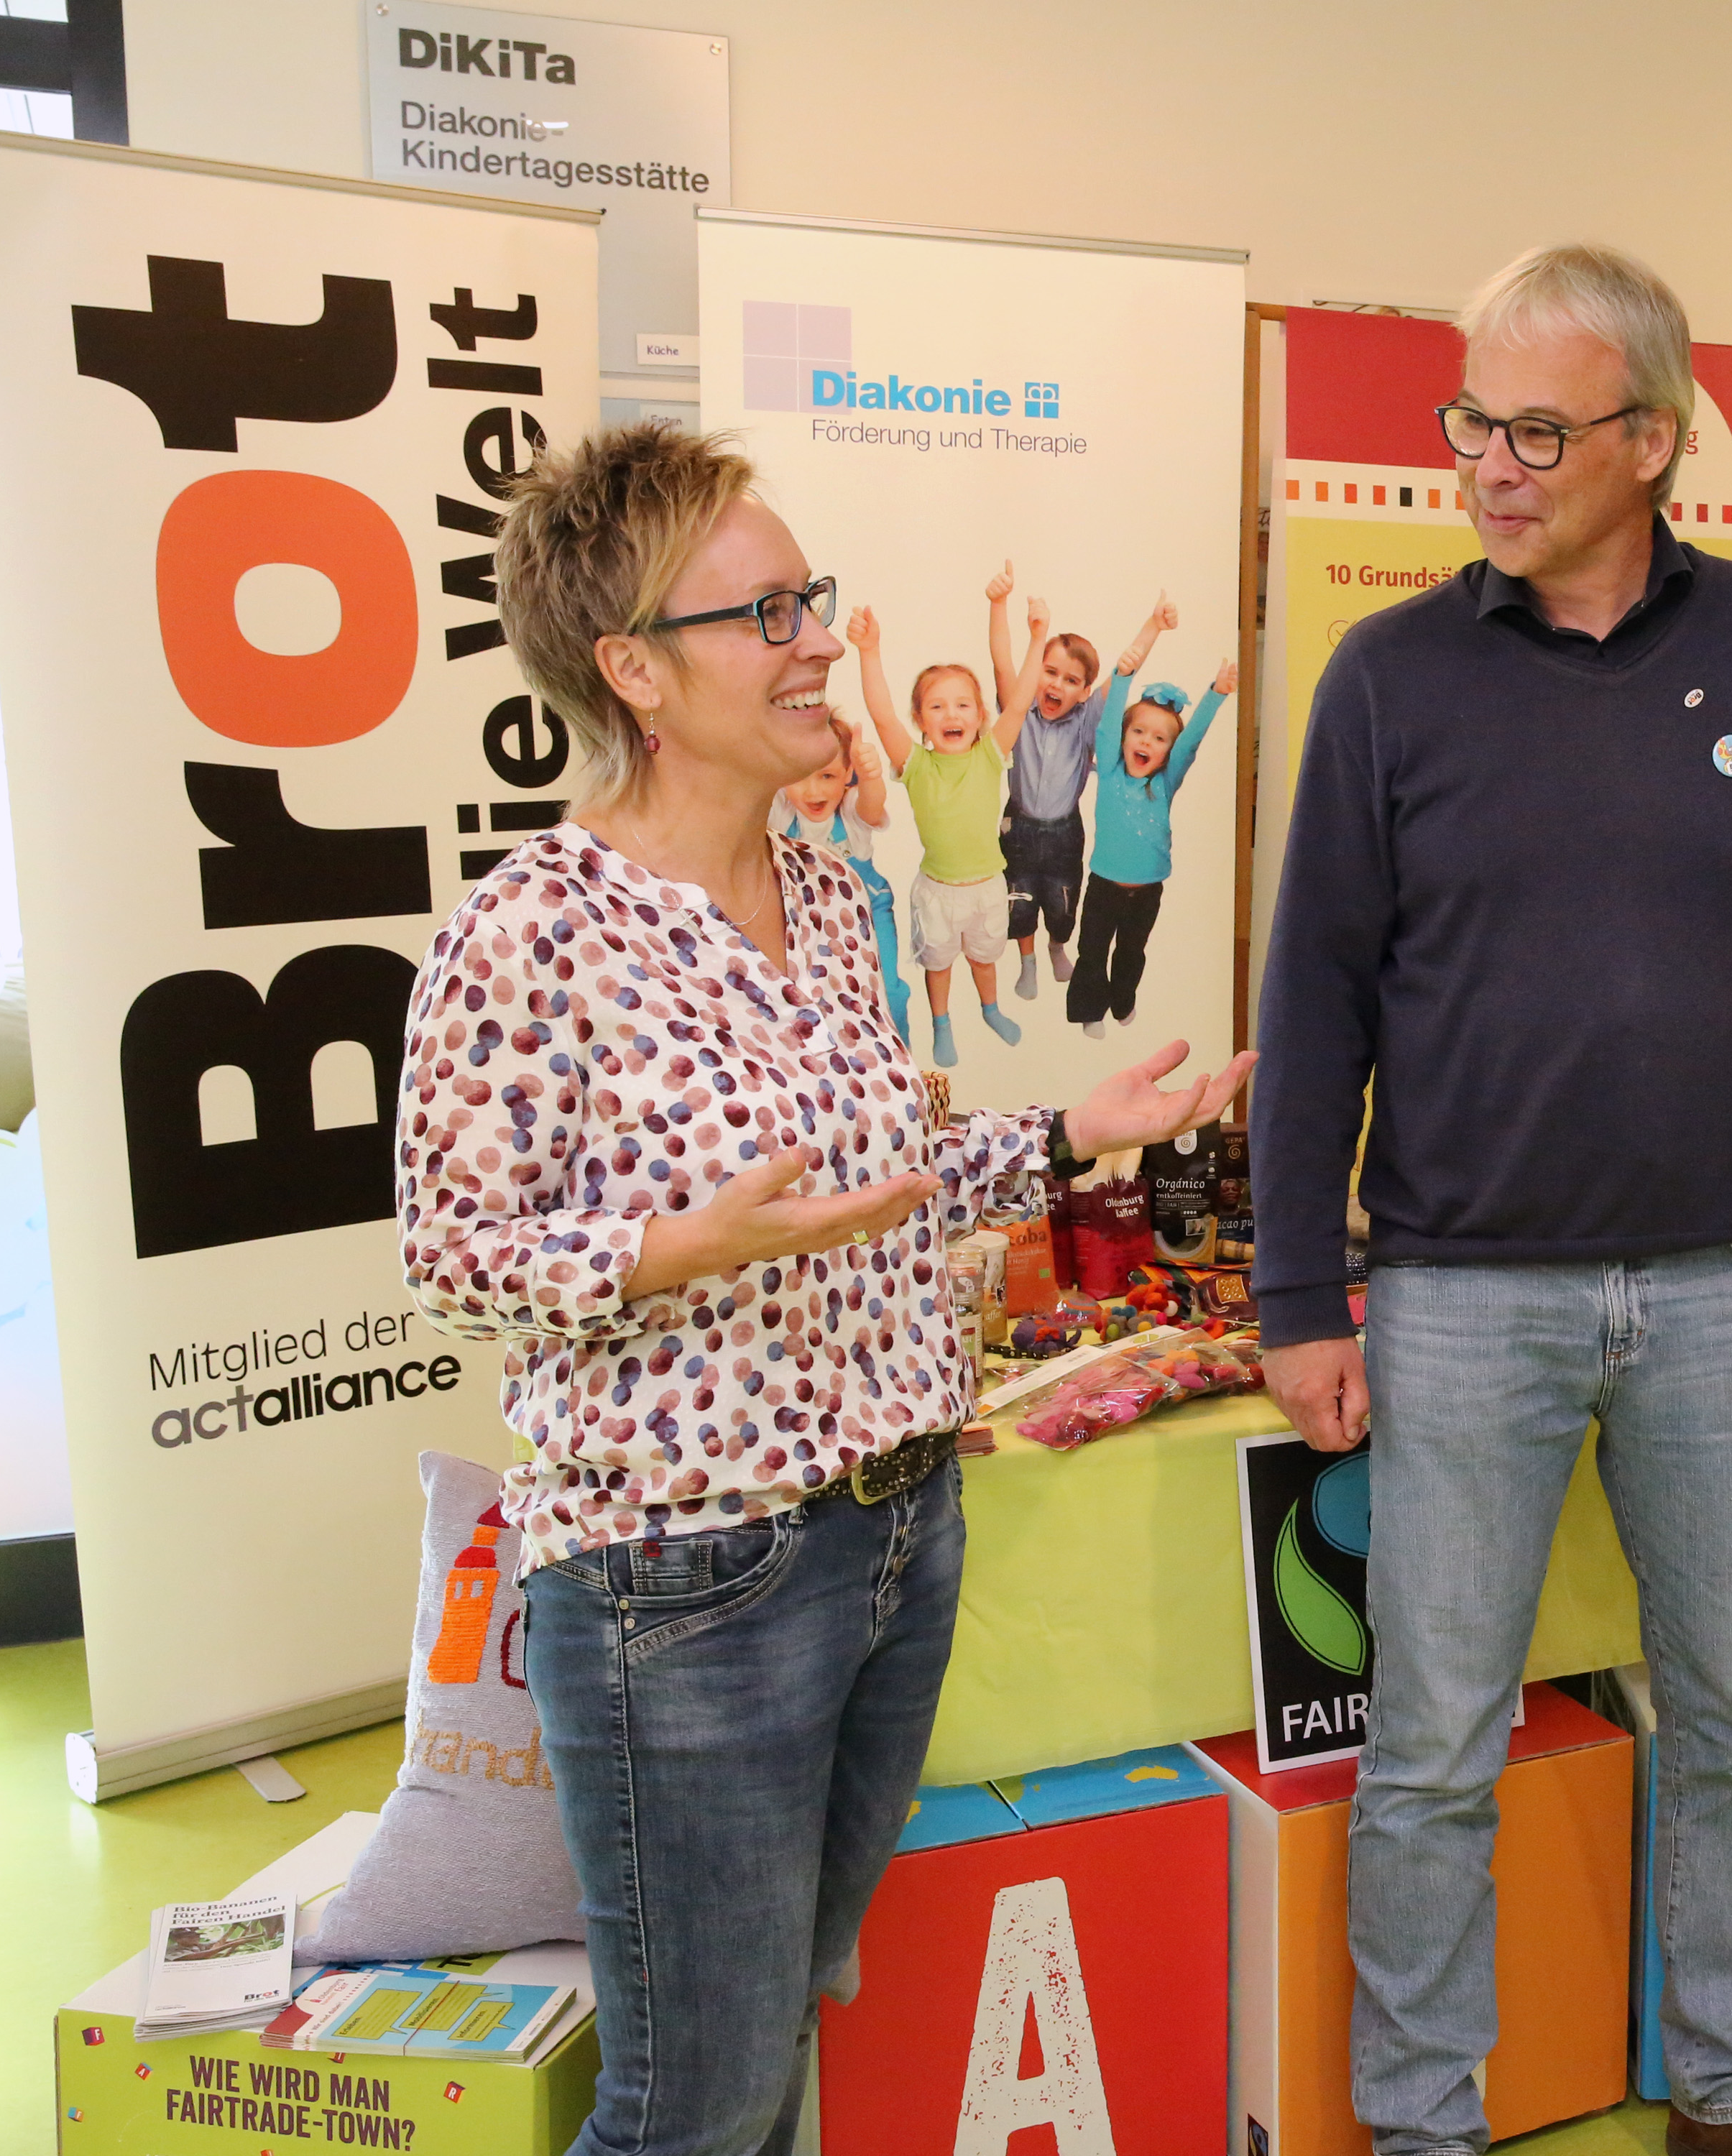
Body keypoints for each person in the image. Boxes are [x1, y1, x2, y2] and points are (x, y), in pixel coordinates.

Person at [397, 421, 1251, 2156]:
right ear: (635, 668)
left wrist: (1069, 1132)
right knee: (688, 2107)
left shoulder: (819, 881)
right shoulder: (530, 930)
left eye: (811, 594)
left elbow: (875, 1186)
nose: (811, 637)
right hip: (680, 1588)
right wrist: (663, 1251)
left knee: (780, 2020)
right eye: (763, 608)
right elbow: (450, 1252)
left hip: (891, 1534)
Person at [1254, 243, 1732, 2156]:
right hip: (1461, 1298)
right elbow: (1310, 998)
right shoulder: (1387, 680)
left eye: (1536, 429)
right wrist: (1298, 1294)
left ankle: (1731, 2095)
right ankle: (1419, 2126)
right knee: (1429, 1754)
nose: (1486, 462)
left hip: (1727, 1281)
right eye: (1472, 420)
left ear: (1654, 439)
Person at [847, 599, 1046, 1067]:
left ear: (979, 716)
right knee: (937, 965)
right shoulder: (915, 765)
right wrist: (869, 651)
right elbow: (882, 717)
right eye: (937, 706)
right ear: (921, 722)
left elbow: (1019, 701)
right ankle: (941, 1022)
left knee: (984, 957)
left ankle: (990, 1009)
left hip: (986, 888)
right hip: (937, 890)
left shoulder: (991, 754)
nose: (950, 714)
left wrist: (1038, 637)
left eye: (962, 705)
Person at [1067, 616, 1232, 1035]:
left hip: (1147, 890)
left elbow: (1190, 740)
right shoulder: (1110, 770)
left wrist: (1216, 694)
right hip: (1105, 884)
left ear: (1168, 753)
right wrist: (1124, 676)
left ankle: (1122, 1001)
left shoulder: (1166, 782)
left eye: (1159, 739)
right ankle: (1090, 1009)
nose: (1146, 742)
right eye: (1138, 732)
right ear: (1123, 739)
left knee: (1131, 952)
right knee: (1092, 950)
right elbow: (1105, 725)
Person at [985, 558, 1105, 1001]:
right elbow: (1002, 664)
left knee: (1061, 903)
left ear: (1085, 691)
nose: (1056, 685)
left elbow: (1121, 678)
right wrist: (999, 604)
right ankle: (1028, 960)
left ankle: (1057, 946)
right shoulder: (1021, 713)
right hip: (1019, 825)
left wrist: (1150, 629)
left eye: (1071, 679)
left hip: (1063, 831)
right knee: (1019, 902)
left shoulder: (1085, 721)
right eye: (1049, 672)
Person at [773, 722, 909, 1048]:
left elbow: (872, 805)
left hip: (866, 913)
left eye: (827, 776)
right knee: (816, 1002)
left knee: (889, 993)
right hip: (805, 917)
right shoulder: (780, 813)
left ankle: (905, 1064)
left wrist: (872, 776)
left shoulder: (850, 812)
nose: (814, 792)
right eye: (800, 775)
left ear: (848, 774)